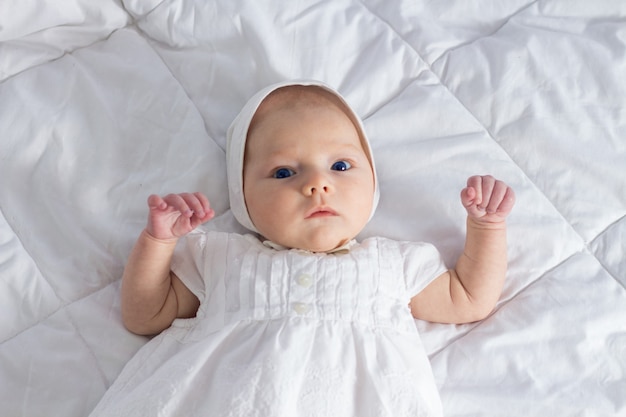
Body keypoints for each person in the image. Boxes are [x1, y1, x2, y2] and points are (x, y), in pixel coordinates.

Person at [89, 80, 515, 417]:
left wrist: (486, 227)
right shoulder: (221, 258)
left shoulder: (392, 265)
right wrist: (159, 242)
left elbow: (469, 299)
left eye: (341, 166)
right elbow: (144, 316)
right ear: (243, 198)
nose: (317, 184)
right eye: (284, 171)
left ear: (373, 183)